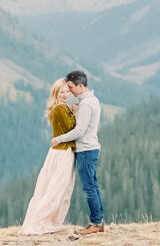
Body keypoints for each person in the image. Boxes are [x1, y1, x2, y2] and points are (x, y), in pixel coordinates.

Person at [19, 79, 78, 235]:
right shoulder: (60, 108)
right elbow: (71, 129)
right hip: (63, 152)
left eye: (67, 91)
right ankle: (41, 223)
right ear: (56, 94)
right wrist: (75, 113)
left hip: (57, 151)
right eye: (62, 92)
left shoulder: (60, 107)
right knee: (57, 188)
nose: (65, 95)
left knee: (51, 187)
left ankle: (46, 221)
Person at [52, 69, 103, 234]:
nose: (70, 91)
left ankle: (96, 223)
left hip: (86, 150)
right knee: (92, 186)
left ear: (81, 86)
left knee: (89, 188)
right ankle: (98, 221)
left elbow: (79, 131)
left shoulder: (86, 104)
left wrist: (58, 139)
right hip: (90, 149)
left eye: (71, 87)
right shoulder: (90, 100)